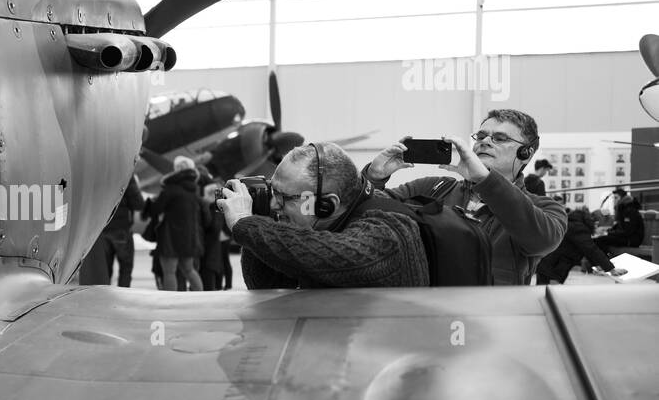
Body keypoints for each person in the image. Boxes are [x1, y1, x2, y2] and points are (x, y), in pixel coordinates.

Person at [363, 109, 567, 285]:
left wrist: (485, 180)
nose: (485, 142)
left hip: (495, 315)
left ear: (526, 153)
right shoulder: (431, 188)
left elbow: (542, 241)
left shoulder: (545, 209)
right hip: (428, 310)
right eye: (481, 136)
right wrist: (373, 178)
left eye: (499, 138)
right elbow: (364, 214)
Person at [217, 142, 429, 289]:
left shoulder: (386, 234)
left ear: (327, 205)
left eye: (284, 197)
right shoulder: (330, 221)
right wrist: (261, 216)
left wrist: (246, 223)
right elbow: (268, 287)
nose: (274, 204)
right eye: (274, 192)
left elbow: (332, 254)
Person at [145, 155, 204, 291]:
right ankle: (201, 297)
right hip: (189, 237)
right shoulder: (194, 189)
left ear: (176, 169)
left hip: (170, 237)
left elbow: (156, 209)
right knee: (189, 270)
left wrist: (150, 203)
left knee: (169, 272)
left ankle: (169, 301)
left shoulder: (171, 188)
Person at [536, 198, 625, 283]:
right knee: (549, 289)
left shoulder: (570, 223)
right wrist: (611, 269)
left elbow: (586, 249)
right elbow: (591, 249)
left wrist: (597, 265)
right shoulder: (578, 228)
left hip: (548, 262)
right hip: (554, 266)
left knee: (544, 289)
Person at [79, 176, 144, 286]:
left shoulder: (100, 174)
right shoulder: (126, 173)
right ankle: (123, 293)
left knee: (105, 269)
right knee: (126, 268)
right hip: (121, 229)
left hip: (102, 229)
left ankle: (106, 294)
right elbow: (139, 203)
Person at [595, 187, 645, 257]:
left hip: (632, 240)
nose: (614, 200)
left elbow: (627, 231)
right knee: (598, 239)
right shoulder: (623, 209)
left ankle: (606, 261)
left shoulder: (630, 211)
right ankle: (606, 260)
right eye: (613, 198)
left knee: (599, 240)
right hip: (627, 237)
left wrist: (608, 233)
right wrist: (607, 232)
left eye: (616, 198)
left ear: (622, 198)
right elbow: (619, 227)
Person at [199, 178, 229, 290]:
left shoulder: (214, 207)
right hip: (211, 250)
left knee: (209, 279)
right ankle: (219, 286)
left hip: (209, 250)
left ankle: (221, 286)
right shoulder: (216, 207)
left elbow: (214, 227)